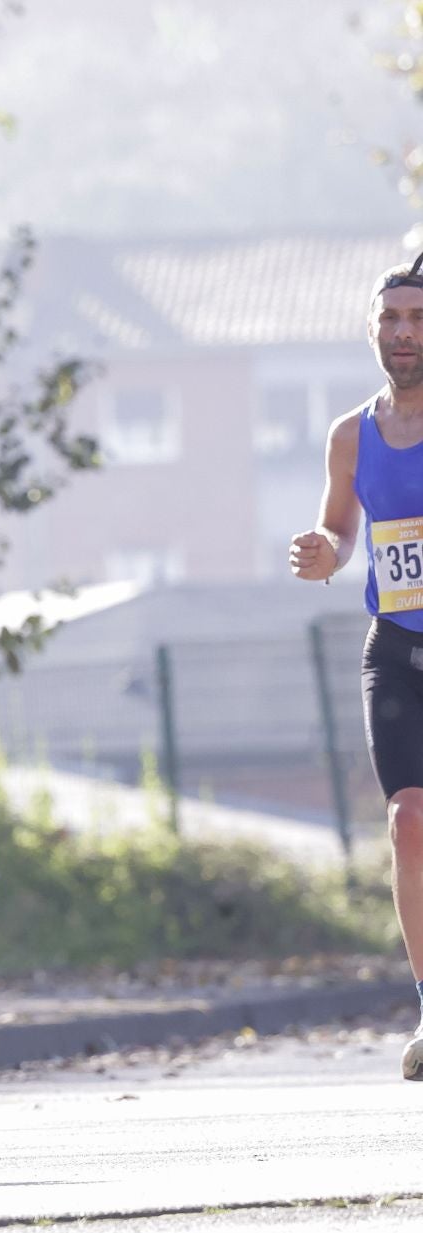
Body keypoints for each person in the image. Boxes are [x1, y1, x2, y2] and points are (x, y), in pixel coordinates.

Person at [291, 250, 423, 1080]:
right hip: (397, 650)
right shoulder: (351, 434)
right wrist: (324, 551)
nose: (404, 333)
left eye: (418, 320)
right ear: (372, 331)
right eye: (391, 319)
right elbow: (340, 529)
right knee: (409, 822)